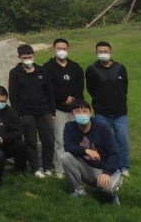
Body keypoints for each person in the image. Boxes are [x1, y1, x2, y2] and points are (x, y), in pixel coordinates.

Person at [62, 99, 123, 204]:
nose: (82, 114)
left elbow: (114, 154)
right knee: (65, 157)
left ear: (90, 113)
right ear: (72, 115)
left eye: (85, 111)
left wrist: (107, 173)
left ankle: (113, 192)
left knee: (107, 189)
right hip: (87, 168)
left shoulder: (102, 128)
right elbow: (68, 147)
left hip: (104, 168)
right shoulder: (69, 127)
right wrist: (86, 150)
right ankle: (79, 191)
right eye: (77, 112)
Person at [9, 44, 55, 177]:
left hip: (44, 111)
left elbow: (49, 92)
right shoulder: (15, 73)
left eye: (29, 57)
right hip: (26, 113)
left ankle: (48, 167)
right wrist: (17, 114)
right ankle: (35, 168)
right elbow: (13, 95)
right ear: (19, 57)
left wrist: (52, 112)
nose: (27, 60)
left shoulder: (42, 71)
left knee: (48, 140)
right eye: (24, 58)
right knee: (30, 141)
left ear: (34, 56)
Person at [86, 41, 130, 176]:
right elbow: (91, 89)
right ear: (96, 53)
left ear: (111, 52)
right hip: (102, 112)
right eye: (100, 52)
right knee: (104, 140)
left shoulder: (120, 68)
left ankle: (123, 166)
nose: (103, 54)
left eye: (105, 51)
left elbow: (124, 87)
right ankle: (107, 165)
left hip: (120, 112)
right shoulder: (92, 69)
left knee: (122, 139)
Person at [44, 38, 85, 179]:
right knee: (60, 140)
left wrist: (73, 101)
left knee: (76, 139)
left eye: (64, 48)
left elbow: (80, 87)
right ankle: (60, 169)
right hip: (58, 108)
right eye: (59, 48)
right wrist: (63, 98)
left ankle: (77, 166)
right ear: (54, 49)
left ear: (68, 49)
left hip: (74, 109)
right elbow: (49, 89)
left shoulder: (76, 67)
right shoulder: (47, 67)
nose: (61, 51)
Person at [0, 86, 28, 175]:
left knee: (20, 145)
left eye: (3, 101)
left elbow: (18, 131)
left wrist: (4, 138)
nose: (0, 103)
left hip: (6, 143)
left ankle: (20, 171)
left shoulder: (12, 112)